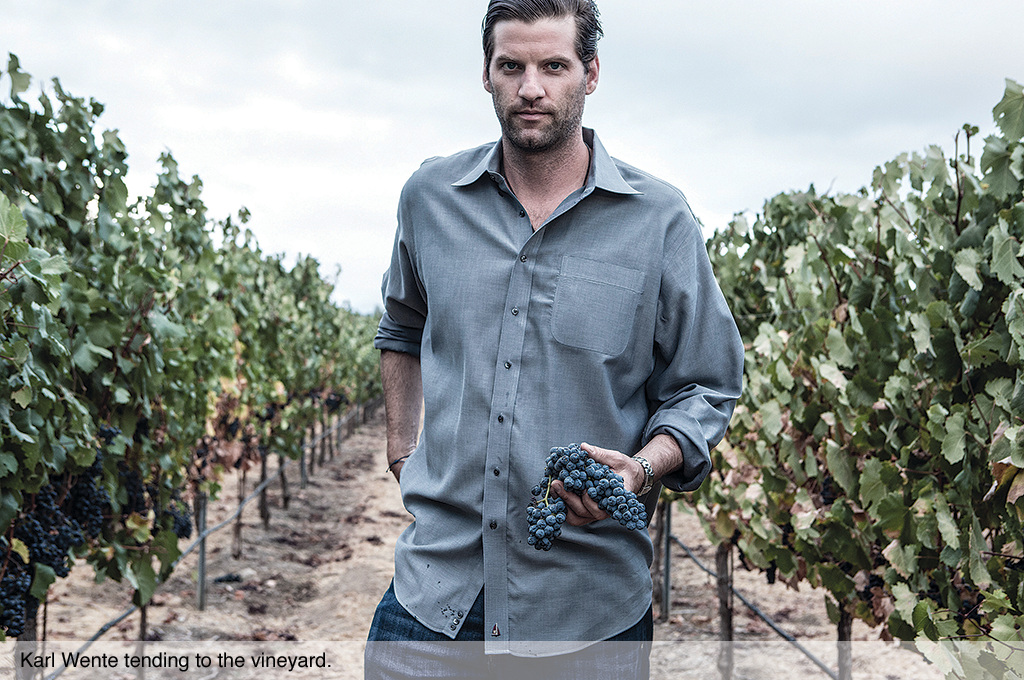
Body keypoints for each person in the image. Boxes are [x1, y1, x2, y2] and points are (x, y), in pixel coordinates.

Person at [365, 0, 743, 676]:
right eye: (511, 66)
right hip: (433, 599)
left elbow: (705, 383)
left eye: (554, 66)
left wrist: (642, 468)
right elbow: (402, 325)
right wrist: (403, 450)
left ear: (591, 73)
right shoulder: (430, 198)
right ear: (486, 73)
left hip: (588, 615)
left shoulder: (659, 223)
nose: (530, 88)